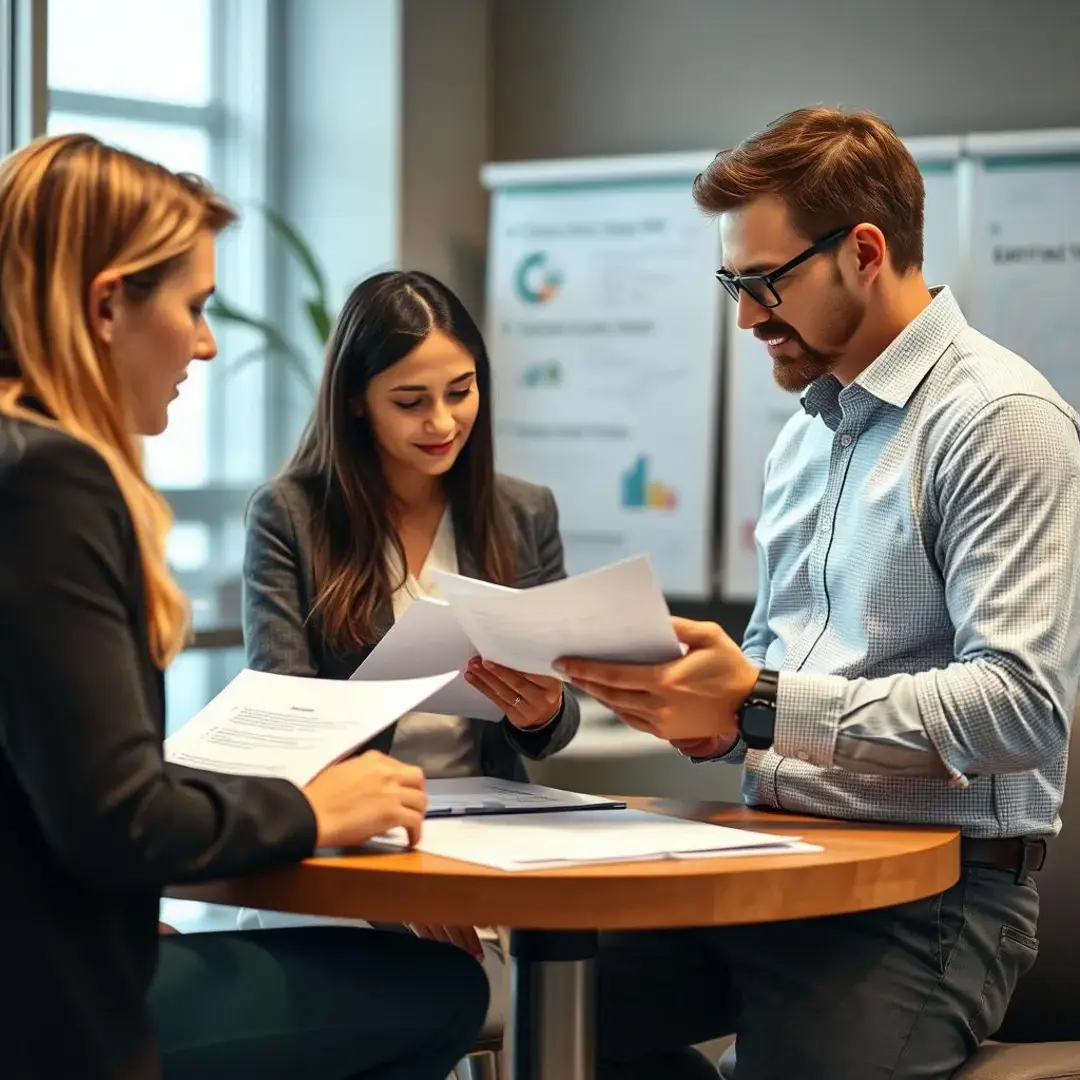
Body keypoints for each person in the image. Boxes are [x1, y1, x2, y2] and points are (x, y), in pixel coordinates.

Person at [555, 107, 1080, 1080]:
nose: (747, 316)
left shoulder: (1000, 421)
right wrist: (707, 714)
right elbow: (777, 666)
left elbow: (1022, 709)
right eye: (733, 283)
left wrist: (758, 700)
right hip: (771, 856)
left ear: (865, 251)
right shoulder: (805, 437)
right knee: (554, 1037)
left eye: (764, 282)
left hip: (928, 898)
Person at [0, 134, 489, 1080]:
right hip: (54, 1012)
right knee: (440, 990)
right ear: (108, 306)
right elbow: (120, 821)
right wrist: (310, 809)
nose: (206, 342)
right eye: (193, 307)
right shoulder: (50, 485)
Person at [239, 270, 580, 1018]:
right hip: (342, 842)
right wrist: (398, 867)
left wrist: (541, 706)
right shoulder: (291, 514)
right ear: (356, 401)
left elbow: (556, 730)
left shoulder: (522, 511)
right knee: (407, 1003)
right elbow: (285, 715)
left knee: (568, 1003)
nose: (442, 422)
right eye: (411, 401)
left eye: (460, 392)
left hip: (487, 837)